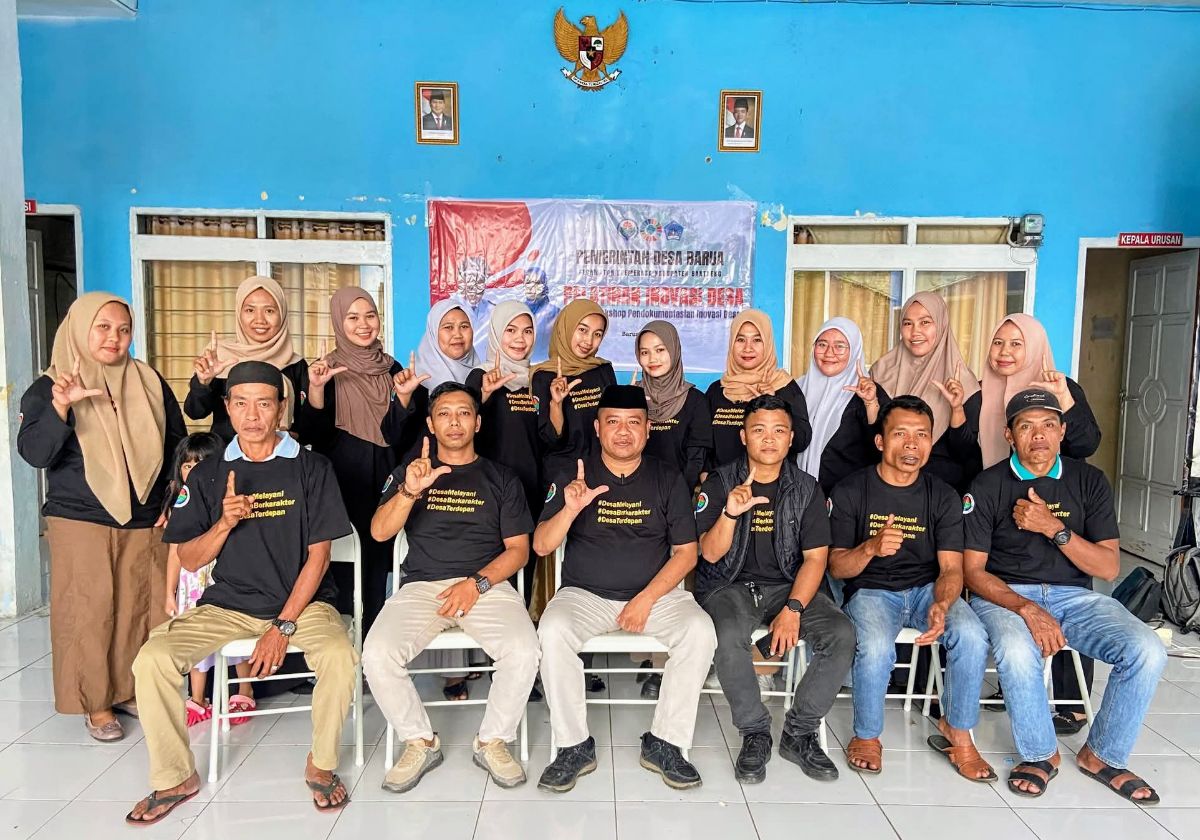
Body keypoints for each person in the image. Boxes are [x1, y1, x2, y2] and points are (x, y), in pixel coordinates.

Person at [126, 361, 358, 824]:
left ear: (281, 407)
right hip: (228, 605)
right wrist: (225, 523)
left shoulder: (312, 467)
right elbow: (190, 559)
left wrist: (282, 626)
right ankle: (175, 775)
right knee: (152, 658)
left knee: (339, 656)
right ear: (228, 407)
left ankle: (322, 763)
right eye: (242, 403)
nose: (253, 415)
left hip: (303, 604)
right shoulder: (208, 474)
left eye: (264, 403)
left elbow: (319, 558)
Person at [963, 388, 1166, 803]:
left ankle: (1102, 755)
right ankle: (1040, 754)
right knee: (1017, 649)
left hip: (1075, 597)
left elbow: (1108, 567)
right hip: (1006, 595)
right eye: (1026, 426)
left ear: (1062, 432)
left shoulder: (1088, 481)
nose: (1038, 435)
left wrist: (1052, 528)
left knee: (1147, 650)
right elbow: (973, 572)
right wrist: (1027, 608)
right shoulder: (987, 484)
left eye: (1048, 425)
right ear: (1009, 435)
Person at [18, 292, 186, 742]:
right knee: (90, 610)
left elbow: (177, 444)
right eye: (103, 327)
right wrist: (61, 408)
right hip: (81, 517)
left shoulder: (148, 382)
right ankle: (96, 702)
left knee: (139, 608)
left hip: (145, 516)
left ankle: (129, 689)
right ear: (79, 329)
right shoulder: (51, 386)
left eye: (123, 329)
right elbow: (35, 452)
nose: (114, 338)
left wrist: (173, 499)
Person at [534, 385, 716, 792]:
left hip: (655, 595)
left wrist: (645, 599)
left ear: (648, 429)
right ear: (597, 428)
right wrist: (570, 510)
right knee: (552, 630)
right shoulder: (573, 475)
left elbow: (686, 554)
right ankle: (573, 746)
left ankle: (665, 742)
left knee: (700, 631)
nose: (623, 431)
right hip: (585, 594)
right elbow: (542, 545)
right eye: (612, 422)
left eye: (633, 423)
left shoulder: (667, 477)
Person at [363, 383, 541, 793]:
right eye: (444, 413)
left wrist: (475, 584)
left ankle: (492, 741)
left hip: (486, 584)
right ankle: (420, 741)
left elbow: (519, 550)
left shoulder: (501, 478)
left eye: (464, 413)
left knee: (524, 650)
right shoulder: (410, 473)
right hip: (422, 585)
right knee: (376, 654)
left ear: (477, 423)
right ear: (430, 424)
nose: (455, 422)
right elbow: (379, 532)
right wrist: (410, 491)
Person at [828, 395, 993, 781]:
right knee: (875, 646)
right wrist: (870, 548)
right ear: (880, 441)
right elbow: (836, 566)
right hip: (871, 592)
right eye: (900, 434)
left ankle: (958, 731)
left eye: (921, 435)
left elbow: (951, 568)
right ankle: (867, 735)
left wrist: (943, 602)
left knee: (971, 634)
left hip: (927, 589)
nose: (912, 444)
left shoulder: (942, 495)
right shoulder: (851, 490)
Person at [694, 394, 855, 784]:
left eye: (779, 430)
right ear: (743, 436)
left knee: (841, 633)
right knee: (728, 635)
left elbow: (815, 558)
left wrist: (794, 609)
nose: (769, 439)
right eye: (759, 430)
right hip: (729, 585)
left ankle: (799, 732)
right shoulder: (720, 482)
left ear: (791, 438)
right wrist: (730, 513)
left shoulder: (806, 489)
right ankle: (755, 732)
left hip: (788, 585)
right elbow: (709, 554)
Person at [972, 313, 1102, 731]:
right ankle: (1013, 684)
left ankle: (1072, 702)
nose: (1005, 351)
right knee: (1006, 587)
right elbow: (965, 449)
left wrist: (1064, 398)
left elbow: (1085, 443)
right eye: (998, 342)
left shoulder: (1060, 385)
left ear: (1034, 346)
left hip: (1058, 497)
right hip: (1000, 494)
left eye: (1016, 343)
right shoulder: (983, 390)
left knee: (1068, 585)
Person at [302, 287, 402, 640]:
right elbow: (311, 434)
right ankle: (340, 647)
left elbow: (401, 434)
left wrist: (404, 400)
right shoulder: (324, 369)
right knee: (342, 560)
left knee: (381, 561)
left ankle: (375, 647)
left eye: (370, 316)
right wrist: (316, 389)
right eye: (353, 317)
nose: (363, 324)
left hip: (386, 476)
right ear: (338, 321)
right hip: (343, 480)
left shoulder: (392, 368)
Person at [161, 432, 256, 727]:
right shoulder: (179, 502)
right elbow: (175, 552)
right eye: (188, 465)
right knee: (196, 645)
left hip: (223, 581)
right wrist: (169, 592)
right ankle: (198, 699)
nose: (194, 471)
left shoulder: (229, 500)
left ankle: (245, 690)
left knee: (237, 639)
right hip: (192, 587)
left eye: (201, 464)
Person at [465, 301, 545, 601]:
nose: (519, 339)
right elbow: (464, 428)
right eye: (510, 330)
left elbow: (547, 438)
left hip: (531, 487)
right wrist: (484, 395)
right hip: (491, 488)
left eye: (527, 331)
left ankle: (520, 618)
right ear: (497, 333)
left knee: (524, 560)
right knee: (490, 559)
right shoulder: (481, 376)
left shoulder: (539, 379)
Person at [869, 291, 980, 494]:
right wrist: (869, 403)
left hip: (942, 493)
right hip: (887, 488)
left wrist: (956, 408)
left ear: (941, 325)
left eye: (925, 322)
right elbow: (871, 441)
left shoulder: (963, 383)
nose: (915, 332)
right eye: (908, 323)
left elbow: (966, 454)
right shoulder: (881, 372)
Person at [184, 276, 308, 442]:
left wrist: (292, 435)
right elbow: (195, 412)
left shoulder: (295, 364)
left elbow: (308, 423)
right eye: (250, 310)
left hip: (279, 455)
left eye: (269, 311)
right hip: (227, 453)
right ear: (239, 313)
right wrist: (203, 383)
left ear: (283, 314)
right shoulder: (220, 358)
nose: (260, 320)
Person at [705, 309, 811, 468]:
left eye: (757, 340)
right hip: (723, 481)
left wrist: (773, 403)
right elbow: (704, 444)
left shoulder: (784, 386)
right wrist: (707, 477)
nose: (748, 348)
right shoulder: (717, 390)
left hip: (773, 482)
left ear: (767, 343)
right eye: (740, 339)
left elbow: (801, 441)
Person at [798, 317, 887, 495]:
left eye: (839, 346)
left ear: (854, 351)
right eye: (822, 344)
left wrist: (870, 403)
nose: (829, 353)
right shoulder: (797, 389)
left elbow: (882, 448)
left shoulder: (869, 392)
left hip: (848, 499)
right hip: (799, 497)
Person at [531, 299, 617, 479]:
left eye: (597, 334)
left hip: (603, 470)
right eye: (583, 330)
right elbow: (550, 440)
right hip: (562, 474)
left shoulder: (603, 370)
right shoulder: (544, 376)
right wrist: (556, 404)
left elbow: (612, 424)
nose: (589, 341)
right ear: (567, 327)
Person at [635, 320, 713, 490]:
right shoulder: (632, 396)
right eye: (644, 352)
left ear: (674, 349)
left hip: (678, 492)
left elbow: (696, 460)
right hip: (635, 493)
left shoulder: (695, 401)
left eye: (660, 350)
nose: (652, 359)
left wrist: (678, 495)